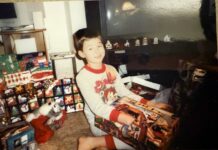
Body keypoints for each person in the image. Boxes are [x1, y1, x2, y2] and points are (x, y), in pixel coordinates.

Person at [74, 28, 171, 150]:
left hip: (119, 110)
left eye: (99, 46)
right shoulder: (82, 77)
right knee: (142, 138)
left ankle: (105, 144)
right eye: (90, 48)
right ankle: (91, 142)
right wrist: (126, 119)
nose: (97, 51)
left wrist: (149, 103)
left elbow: (124, 92)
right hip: (99, 120)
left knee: (151, 129)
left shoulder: (111, 69)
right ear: (81, 53)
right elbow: (98, 108)